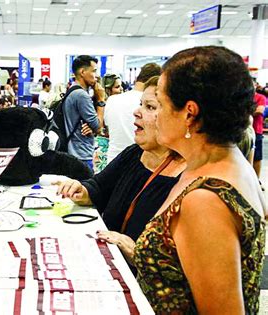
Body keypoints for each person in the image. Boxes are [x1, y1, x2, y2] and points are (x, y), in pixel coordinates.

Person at [133, 46, 266, 314]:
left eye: (159, 103)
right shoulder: (229, 163)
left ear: (189, 113)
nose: (153, 114)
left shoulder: (205, 200)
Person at [56, 76, 186, 263]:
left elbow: (182, 264)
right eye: (141, 104)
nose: (136, 112)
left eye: (150, 107)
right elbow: (99, 187)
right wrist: (82, 190)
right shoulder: (134, 154)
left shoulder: (188, 180)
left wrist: (136, 254)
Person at [105, 63, 162, 162]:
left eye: (149, 107)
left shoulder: (111, 100)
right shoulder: (155, 103)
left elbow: (105, 128)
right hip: (137, 160)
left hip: (112, 158)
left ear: (136, 79)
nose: (136, 112)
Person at [65, 55, 103, 172]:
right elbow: (98, 127)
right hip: (81, 154)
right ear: (82, 72)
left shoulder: (72, 90)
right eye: (94, 71)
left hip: (73, 152)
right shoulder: (81, 95)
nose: (97, 76)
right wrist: (101, 99)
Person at [252, 77, 266, 178]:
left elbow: (260, 111)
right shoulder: (242, 98)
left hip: (256, 130)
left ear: (255, 85)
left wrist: (242, 113)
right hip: (242, 130)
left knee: (257, 156)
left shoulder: (261, 98)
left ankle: (257, 180)